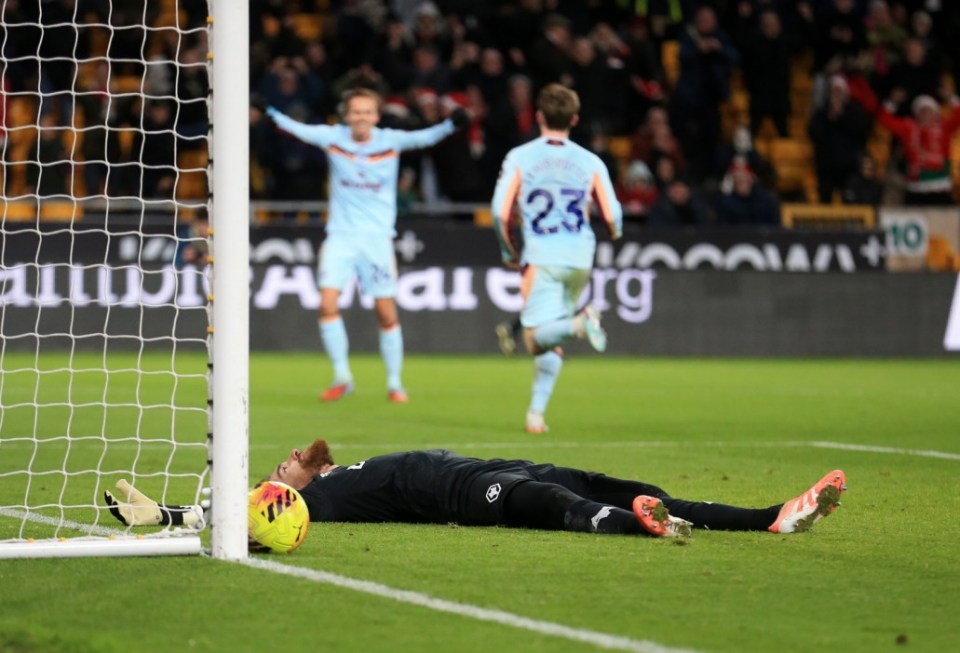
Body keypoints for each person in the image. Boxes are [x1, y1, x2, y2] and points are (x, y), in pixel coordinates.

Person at [104, 438, 848, 540]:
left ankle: (769, 517)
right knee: (548, 507)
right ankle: (632, 525)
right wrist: (170, 513)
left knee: (612, 479)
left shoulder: (331, 473)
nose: (291, 458)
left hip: (497, 462)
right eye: (285, 464)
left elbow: (300, 465)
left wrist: (314, 457)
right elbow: (245, 512)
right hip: (467, 495)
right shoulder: (314, 502)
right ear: (284, 489)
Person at [254, 88, 468, 403]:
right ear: (347, 115)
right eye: (356, 112)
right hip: (340, 235)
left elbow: (426, 137)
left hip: (377, 239)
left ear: (376, 116)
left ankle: (395, 383)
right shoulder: (333, 137)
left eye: (367, 112)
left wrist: (453, 124)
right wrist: (270, 111)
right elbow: (298, 130)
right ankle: (342, 377)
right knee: (327, 304)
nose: (362, 118)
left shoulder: (391, 141)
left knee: (386, 313)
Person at [490, 84, 623, 434]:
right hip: (580, 256)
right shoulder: (590, 160)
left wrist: (508, 251)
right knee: (550, 338)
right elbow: (614, 216)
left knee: (533, 338)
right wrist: (614, 232)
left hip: (542, 257)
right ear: (574, 119)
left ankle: (581, 323)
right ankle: (535, 415)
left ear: (538, 117)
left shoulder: (520, 157)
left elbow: (499, 211)